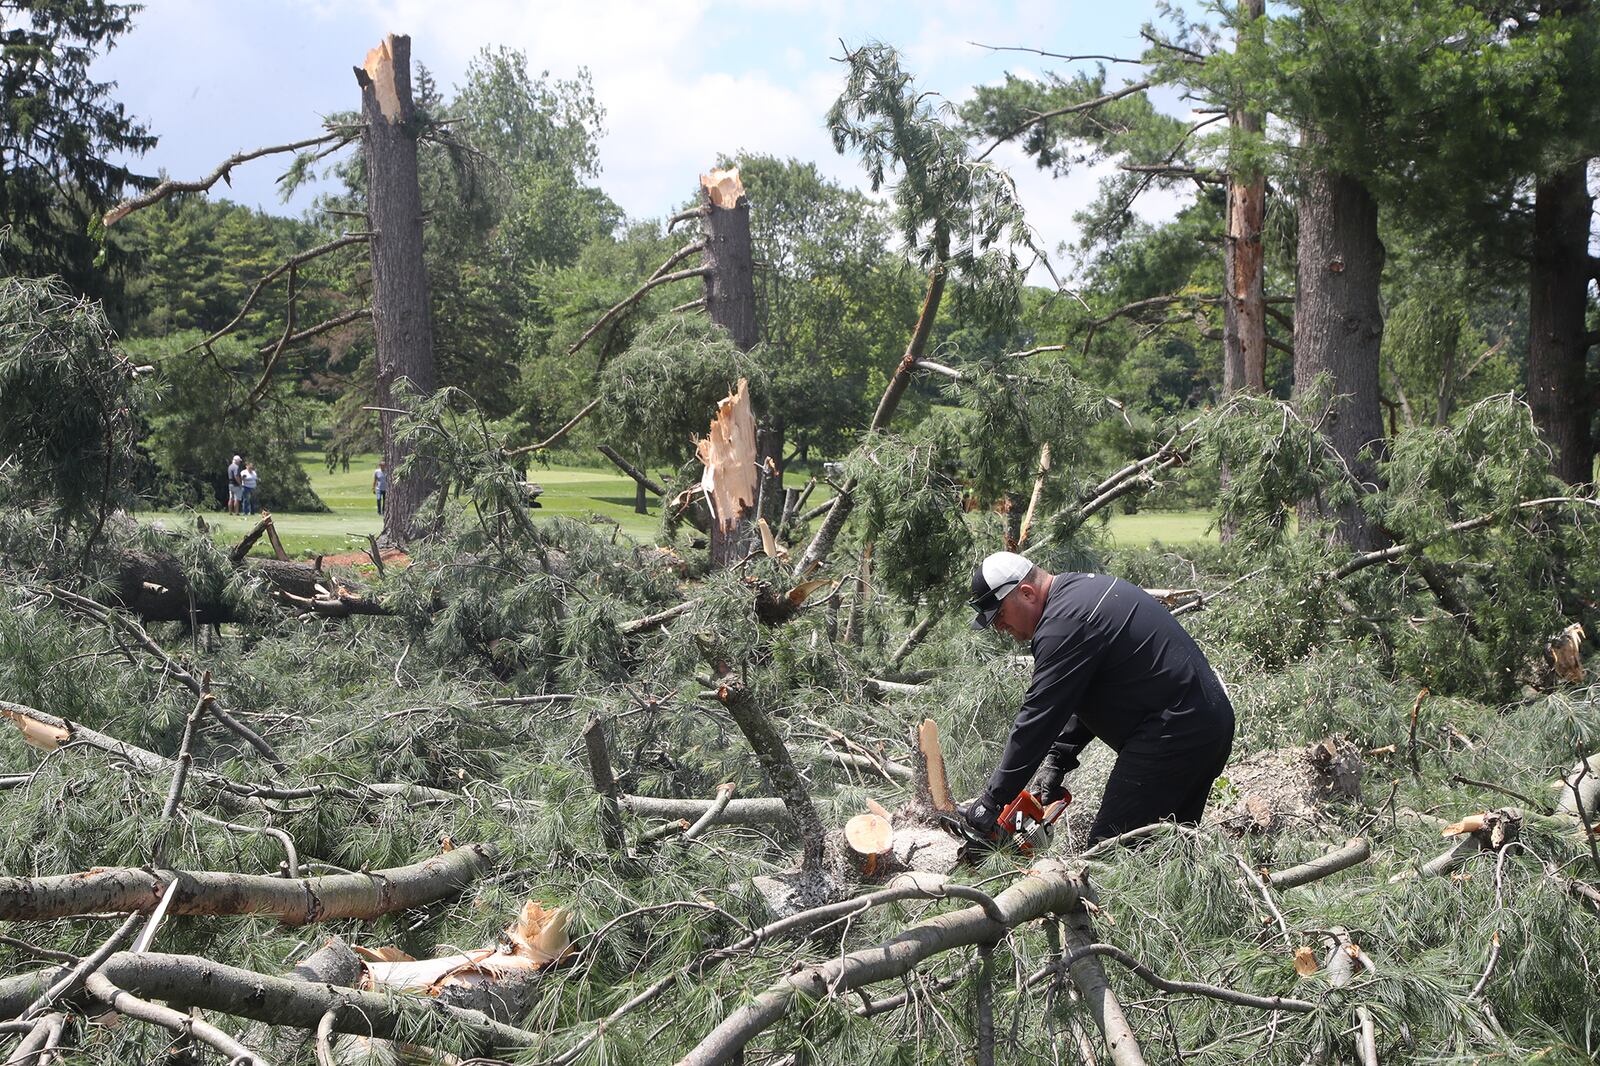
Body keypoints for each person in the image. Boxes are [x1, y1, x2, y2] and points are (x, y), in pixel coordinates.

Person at [961, 551, 1235, 848]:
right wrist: (1058, 758)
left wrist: (992, 801)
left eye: (999, 615)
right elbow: (1090, 689)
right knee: (1166, 852)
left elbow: (1039, 717)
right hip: (1205, 722)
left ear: (1026, 593)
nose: (999, 627)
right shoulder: (1078, 595)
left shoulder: (1062, 624)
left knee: (1111, 854)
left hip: (1174, 730)